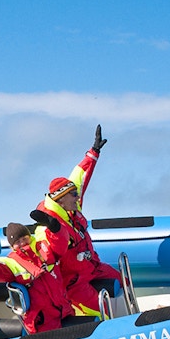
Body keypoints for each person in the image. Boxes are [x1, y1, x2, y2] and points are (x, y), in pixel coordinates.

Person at [30, 125, 121, 318]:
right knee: (99, 309)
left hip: (92, 267)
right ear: (61, 199)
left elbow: (80, 176)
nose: (77, 196)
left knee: (120, 281)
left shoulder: (71, 205)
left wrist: (93, 152)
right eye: (73, 194)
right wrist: (54, 231)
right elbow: (51, 256)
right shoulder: (46, 227)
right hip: (73, 283)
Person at [0, 223, 74, 334]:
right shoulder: (11, 262)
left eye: (24, 238)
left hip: (66, 311)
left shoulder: (43, 249)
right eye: (18, 241)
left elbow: (61, 243)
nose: (23, 243)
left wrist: (55, 227)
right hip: (42, 321)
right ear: (12, 246)